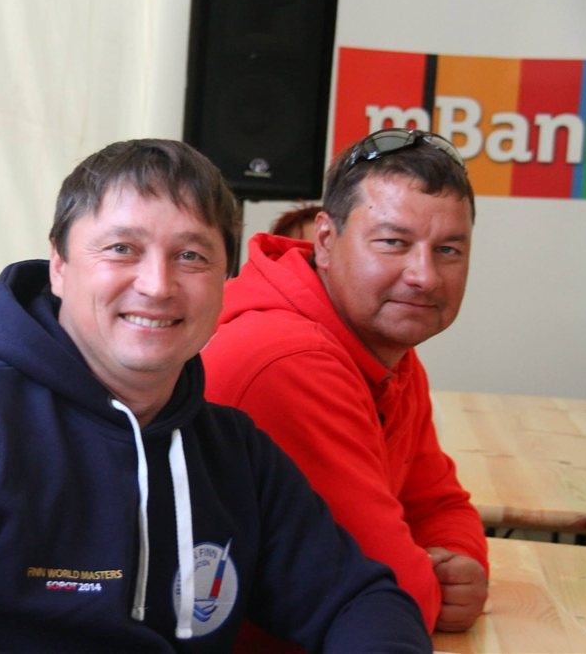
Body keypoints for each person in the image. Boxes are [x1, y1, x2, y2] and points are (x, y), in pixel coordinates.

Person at [0, 138, 431, 653]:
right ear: (59, 265)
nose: (157, 285)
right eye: (121, 249)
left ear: (225, 279)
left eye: (192, 256)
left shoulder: (234, 456)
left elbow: (362, 601)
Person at [202, 129, 489, 646]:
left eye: (448, 249)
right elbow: (387, 598)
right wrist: (430, 582)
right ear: (326, 241)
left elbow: (440, 506)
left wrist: (459, 561)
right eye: (393, 243)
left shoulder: (387, 350)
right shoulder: (289, 360)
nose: (424, 276)